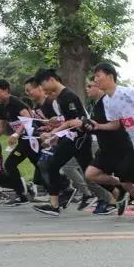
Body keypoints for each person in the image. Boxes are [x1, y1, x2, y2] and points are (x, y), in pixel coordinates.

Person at [31, 69, 92, 216]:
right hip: (73, 138)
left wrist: (53, 133)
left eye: (42, 84)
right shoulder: (61, 97)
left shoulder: (68, 96)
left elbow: (74, 122)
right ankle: (114, 195)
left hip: (78, 139)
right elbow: (68, 121)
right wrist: (55, 132)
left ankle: (57, 203)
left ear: (51, 79)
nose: (42, 88)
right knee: (90, 172)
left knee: (55, 166)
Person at [83, 78, 134, 215]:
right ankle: (119, 187)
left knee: (131, 180)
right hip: (105, 148)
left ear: (99, 87)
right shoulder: (95, 105)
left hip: (119, 146)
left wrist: (97, 126)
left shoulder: (108, 102)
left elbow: (117, 124)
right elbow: (97, 126)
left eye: (90, 86)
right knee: (90, 174)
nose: (87, 89)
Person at [0, 79, 35, 204]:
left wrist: (16, 133)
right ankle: (23, 195)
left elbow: (28, 118)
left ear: (6, 90)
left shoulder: (15, 102)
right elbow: (1, 128)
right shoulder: (2, 106)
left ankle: (63, 185)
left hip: (32, 139)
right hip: (24, 141)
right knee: (13, 165)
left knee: (10, 164)